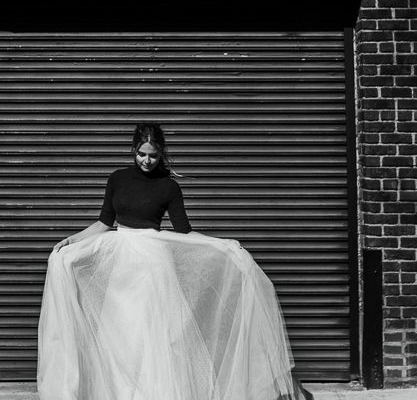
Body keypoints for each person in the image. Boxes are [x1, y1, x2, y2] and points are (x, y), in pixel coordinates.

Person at [37, 122, 312, 400]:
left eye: (153, 155)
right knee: (120, 337)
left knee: (153, 339)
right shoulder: (117, 179)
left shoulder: (168, 187)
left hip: (153, 269)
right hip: (120, 268)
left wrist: (223, 246)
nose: (147, 160)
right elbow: (103, 223)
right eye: (142, 154)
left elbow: (184, 232)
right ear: (133, 150)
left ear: (161, 154)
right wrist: (71, 241)